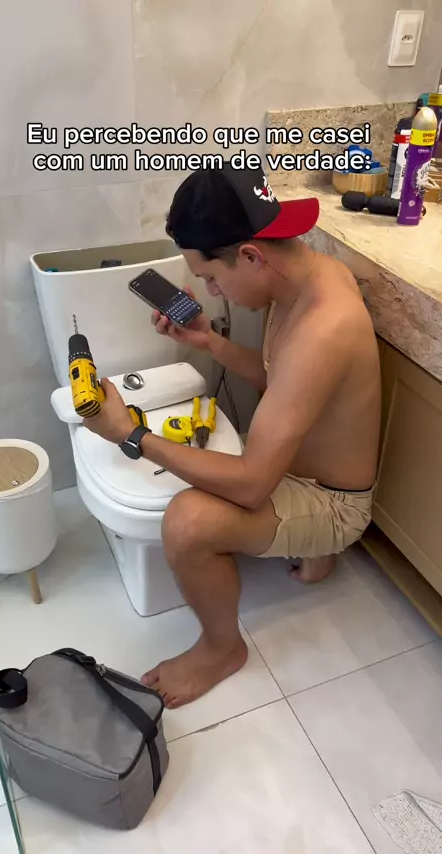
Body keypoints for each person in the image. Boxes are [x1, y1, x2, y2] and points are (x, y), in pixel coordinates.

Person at [83, 163, 381, 709]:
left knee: (187, 523)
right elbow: (282, 380)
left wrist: (131, 433)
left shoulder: (324, 328)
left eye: (210, 278)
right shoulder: (304, 276)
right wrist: (210, 342)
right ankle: (314, 551)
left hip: (331, 500)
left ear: (250, 255)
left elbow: (249, 485)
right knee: (208, 462)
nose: (211, 290)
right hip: (298, 464)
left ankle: (222, 649)